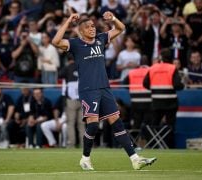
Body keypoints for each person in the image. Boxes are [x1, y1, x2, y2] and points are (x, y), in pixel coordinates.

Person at [52, 12, 156, 170]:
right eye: (87, 27)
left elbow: (121, 28)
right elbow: (55, 41)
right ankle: (85, 159)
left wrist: (113, 19)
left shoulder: (101, 39)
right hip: (88, 89)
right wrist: (68, 21)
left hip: (105, 88)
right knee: (93, 126)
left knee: (117, 122)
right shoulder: (75, 44)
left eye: (93, 26)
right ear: (80, 31)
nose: (92, 28)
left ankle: (135, 159)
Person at [143, 48, 185, 148]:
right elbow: (177, 85)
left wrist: (154, 88)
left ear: (160, 57)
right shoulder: (172, 68)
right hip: (170, 102)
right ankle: (169, 146)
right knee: (170, 126)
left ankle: (153, 145)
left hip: (156, 101)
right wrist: (182, 84)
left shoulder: (153, 68)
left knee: (154, 125)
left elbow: (145, 84)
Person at [123, 58, 152, 147]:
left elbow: (125, 84)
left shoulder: (132, 72)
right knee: (147, 124)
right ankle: (149, 144)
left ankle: (133, 144)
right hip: (148, 102)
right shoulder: (151, 71)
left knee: (136, 125)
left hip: (135, 102)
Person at [59, 54, 84, 148]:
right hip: (82, 98)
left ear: (68, 60)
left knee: (71, 123)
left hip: (71, 99)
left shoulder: (67, 67)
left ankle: (71, 144)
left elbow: (59, 74)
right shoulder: (82, 66)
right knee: (82, 124)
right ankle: (84, 144)